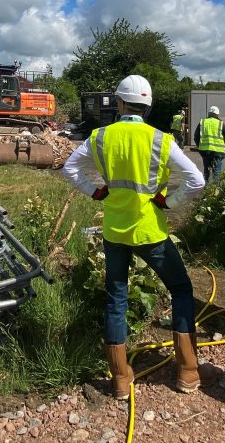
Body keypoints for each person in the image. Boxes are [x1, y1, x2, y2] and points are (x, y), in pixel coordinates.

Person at [62, 75, 206, 399]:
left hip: (115, 230)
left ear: (120, 103)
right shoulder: (161, 140)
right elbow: (196, 180)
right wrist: (169, 202)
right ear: (148, 106)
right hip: (150, 231)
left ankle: (121, 379)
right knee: (181, 289)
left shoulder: (100, 137)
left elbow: (69, 169)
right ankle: (187, 370)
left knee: (116, 297)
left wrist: (95, 192)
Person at [194, 105, 225, 181]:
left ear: (209, 114)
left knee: (206, 171)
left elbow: (196, 136)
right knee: (217, 173)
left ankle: (206, 188)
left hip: (205, 152)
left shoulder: (202, 122)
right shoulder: (220, 123)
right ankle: (215, 190)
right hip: (218, 152)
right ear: (217, 115)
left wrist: (199, 146)